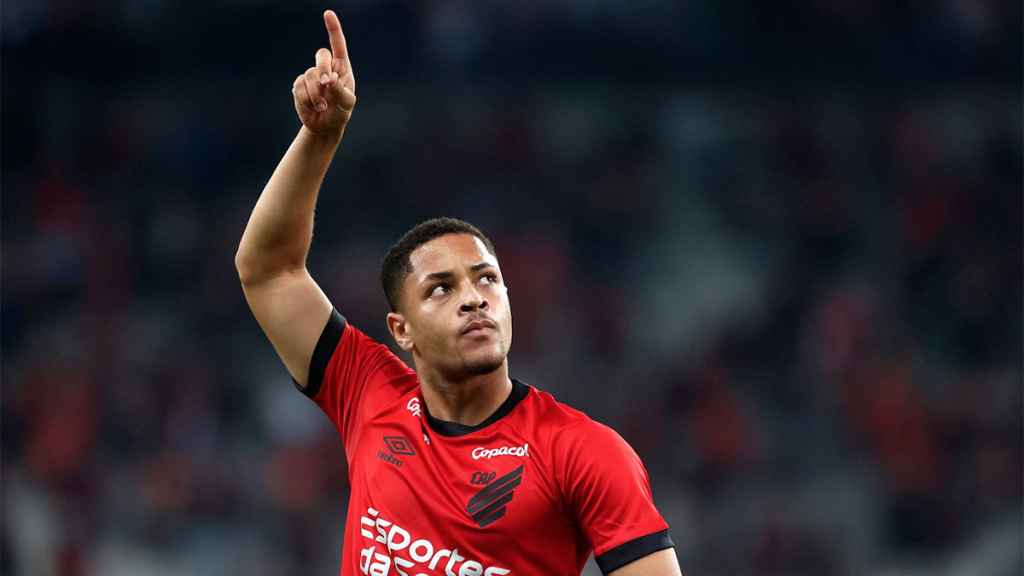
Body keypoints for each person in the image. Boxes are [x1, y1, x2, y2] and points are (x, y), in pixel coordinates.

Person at [235, 10, 682, 576]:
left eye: (487, 279)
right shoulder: (367, 393)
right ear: (401, 330)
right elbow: (268, 270)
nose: (474, 299)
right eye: (441, 289)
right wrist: (319, 139)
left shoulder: (581, 452)